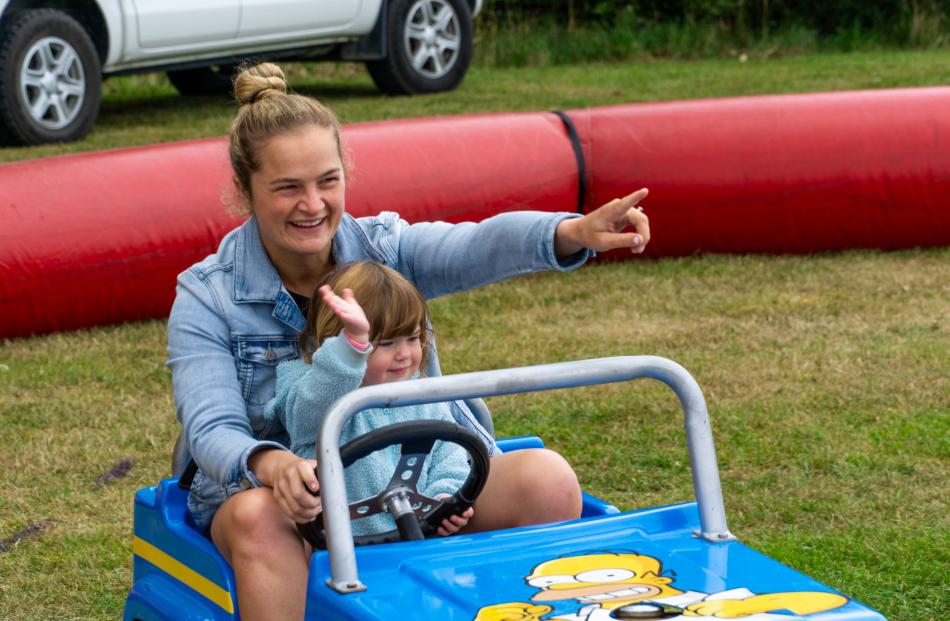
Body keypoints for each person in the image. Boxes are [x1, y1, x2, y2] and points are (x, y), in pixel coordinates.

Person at [167, 61, 650, 621]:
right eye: (287, 188)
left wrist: (571, 232)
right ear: (243, 190)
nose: (313, 205)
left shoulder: (383, 248)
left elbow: (474, 245)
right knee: (256, 519)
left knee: (547, 479)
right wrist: (274, 469)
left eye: (328, 181)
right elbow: (211, 427)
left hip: (418, 475)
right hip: (293, 499)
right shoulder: (209, 295)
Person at [266, 260, 475, 537]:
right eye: (386, 343)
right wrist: (351, 352)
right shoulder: (311, 387)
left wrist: (444, 497)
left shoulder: (422, 395)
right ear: (337, 339)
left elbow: (448, 454)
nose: (403, 354)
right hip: (335, 550)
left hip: (418, 538)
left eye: (412, 338)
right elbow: (307, 412)